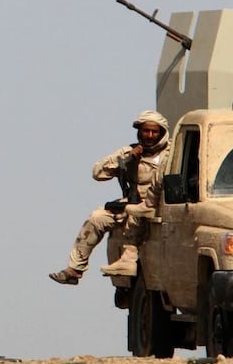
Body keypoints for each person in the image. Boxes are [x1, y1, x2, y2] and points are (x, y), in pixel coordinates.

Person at [49, 110, 170, 284]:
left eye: (154, 132)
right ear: (139, 131)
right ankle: (75, 270)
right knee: (97, 218)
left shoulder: (172, 152)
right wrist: (127, 160)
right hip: (133, 201)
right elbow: (98, 172)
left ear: (162, 133)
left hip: (162, 204)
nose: (150, 136)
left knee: (138, 216)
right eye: (146, 131)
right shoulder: (130, 151)